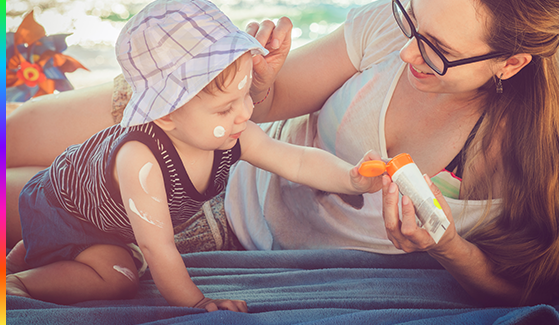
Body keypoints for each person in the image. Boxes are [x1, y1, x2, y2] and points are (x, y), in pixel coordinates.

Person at [6, 0, 559, 307]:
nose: (407, 50)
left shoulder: (553, 150)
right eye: (411, 19)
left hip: (208, 213)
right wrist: (259, 86)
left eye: (436, 50)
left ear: (511, 63)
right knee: (17, 142)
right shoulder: (390, 30)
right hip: (204, 126)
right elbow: (270, 107)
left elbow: (537, 282)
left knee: (39, 218)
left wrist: (448, 248)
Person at [5, 0, 381, 311]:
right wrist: (196, 303)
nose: (245, 113)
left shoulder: (232, 134)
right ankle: (17, 284)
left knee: (80, 257)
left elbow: (296, 161)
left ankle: (22, 259)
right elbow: (157, 246)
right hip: (64, 211)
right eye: (224, 108)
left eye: (246, 95)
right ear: (166, 114)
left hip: (98, 215)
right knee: (118, 279)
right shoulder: (142, 159)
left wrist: (351, 177)